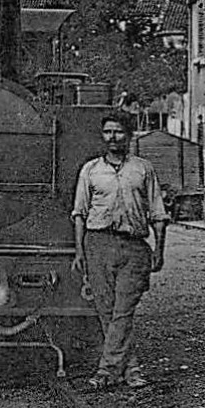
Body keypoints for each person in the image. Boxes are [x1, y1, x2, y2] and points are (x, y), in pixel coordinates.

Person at [71, 111, 169, 390]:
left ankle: (105, 372)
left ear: (130, 135)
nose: (113, 138)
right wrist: (80, 252)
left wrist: (159, 250)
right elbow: (80, 213)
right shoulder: (90, 170)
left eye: (118, 132)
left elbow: (158, 214)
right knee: (107, 312)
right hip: (98, 245)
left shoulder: (143, 169)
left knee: (123, 311)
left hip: (134, 247)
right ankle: (132, 369)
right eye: (108, 132)